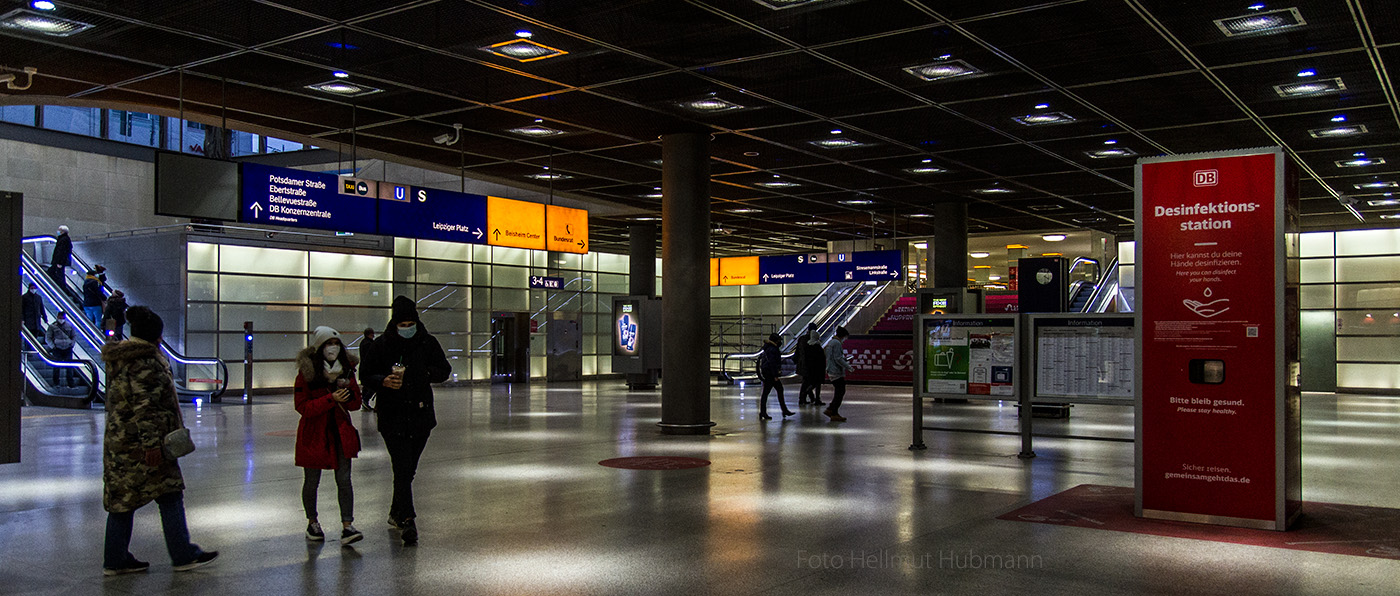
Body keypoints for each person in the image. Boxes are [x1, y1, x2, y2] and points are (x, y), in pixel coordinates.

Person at [100, 306, 218, 575]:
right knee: (169, 493)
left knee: (123, 498)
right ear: (156, 337)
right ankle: (183, 553)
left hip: (120, 442)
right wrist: (153, 445)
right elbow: (147, 408)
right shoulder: (145, 362)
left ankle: (115, 558)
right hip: (143, 445)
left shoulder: (121, 359)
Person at [362, 296, 451, 546]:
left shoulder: (427, 342)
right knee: (401, 467)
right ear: (395, 322)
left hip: (421, 416)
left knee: (408, 469)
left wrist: (426, 373)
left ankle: (395, 512)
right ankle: (408, 519)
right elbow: (365, 374)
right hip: (392, 416)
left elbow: (444, 369)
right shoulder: (381, 345)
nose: (407, 327)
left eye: (411, 322)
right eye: (403, 323)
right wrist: (383, 381)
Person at [294, 326, 364, 545]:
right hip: (314, 435)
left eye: (335, 344)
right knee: (311, 480)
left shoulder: (347, 370)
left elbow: (356, 404)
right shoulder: (307, 373)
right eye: (327, 344)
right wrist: (330, 399)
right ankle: (312, 522)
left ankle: (347, 525)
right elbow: (303, 407)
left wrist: (348, 396)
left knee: (344, 480)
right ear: (319, 347)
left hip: (340, 433)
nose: (332, 348)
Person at [757, 332, 793, 420]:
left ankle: (765, 412)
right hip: (770, 374)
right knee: (773, 391)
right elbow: (772, 363)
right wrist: (775, 375)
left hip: (767, 372)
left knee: (769, 392)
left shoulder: (768, 348)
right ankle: (781, 410)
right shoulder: (773, 349)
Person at [823, 326, 852, 422]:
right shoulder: (837, 343)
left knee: (839, 391)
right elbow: (838, 358)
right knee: (840, 391)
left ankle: (831, 409)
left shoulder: (831, 343)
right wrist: (848, 366)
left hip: (831, 369)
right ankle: (833, 411)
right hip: (836, 371)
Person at [45, 310, 77, 387]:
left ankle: (71, 383)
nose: (61, 319)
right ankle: (56, 382)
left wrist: (71, 344)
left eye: (63, 317)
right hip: (57, 348)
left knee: (69, 366)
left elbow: (74, 336)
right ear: (57, 317)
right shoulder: (52, 326)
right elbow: (48, 337)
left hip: (67, 348)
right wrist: (53, 346)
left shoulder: (69, 325)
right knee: (56, 366)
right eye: (60, 317)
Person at [795, 323, 825, 407]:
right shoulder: (812, 340)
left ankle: (806, 398)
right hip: (809, 365)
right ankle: (806, 398)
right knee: (811, 382)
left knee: (806, 382)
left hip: (802, 363)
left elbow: (798, 351)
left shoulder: (801, 339)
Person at [48, 225, 72, 290]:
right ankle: (61, 288)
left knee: (56, 274)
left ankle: (61, 288)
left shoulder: (63, 239)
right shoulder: (64, 239)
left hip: (59, 262)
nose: (58, 231)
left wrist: (60, 262)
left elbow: (62, 252)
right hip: (59, 261)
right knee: (58, 274)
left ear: (63, 231)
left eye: (59, 230)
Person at [359, 327, 377, 412]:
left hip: (364, 368)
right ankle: (365, 400)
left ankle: (365, 400)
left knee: (367, 386)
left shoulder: (363, 343)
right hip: (370, 369)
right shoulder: (369, 344)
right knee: (372, 386)